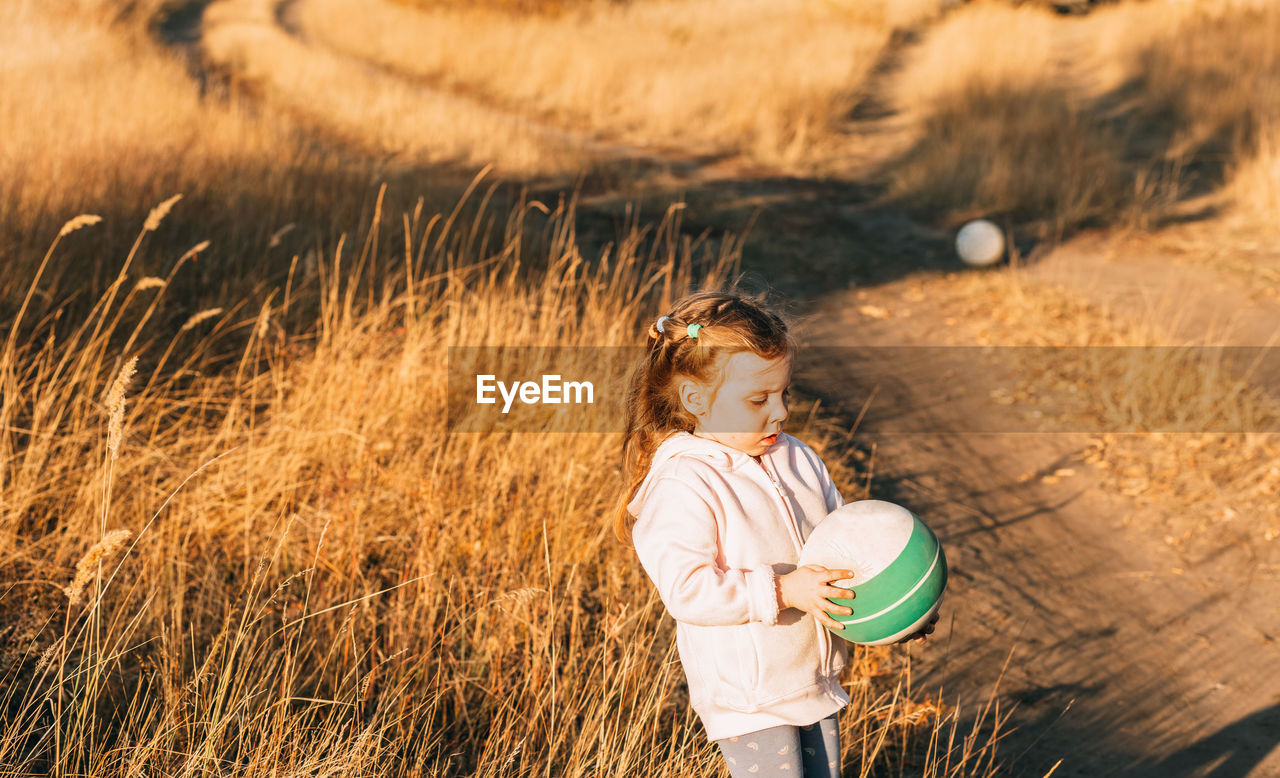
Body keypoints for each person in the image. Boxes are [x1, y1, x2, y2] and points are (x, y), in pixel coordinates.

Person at [613, 290, 933, 777]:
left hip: (814, 679)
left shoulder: (797, 457)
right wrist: (784, 589)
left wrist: (901, 603)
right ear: (695, 400)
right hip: (750, 697)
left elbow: (848, 543)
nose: (779, 412)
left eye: (785, 393)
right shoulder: (684, 482)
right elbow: (687, 591)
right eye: (758, 399)